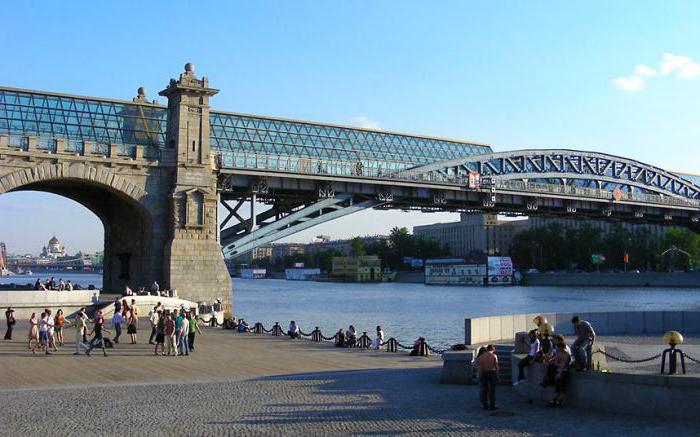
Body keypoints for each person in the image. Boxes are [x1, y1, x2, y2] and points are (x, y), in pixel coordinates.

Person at [549, 336, 572, 407]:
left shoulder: (566, 354)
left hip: (563, 372)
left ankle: (558, 401)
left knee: (562, 388)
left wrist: (559, 373)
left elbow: (564, 365)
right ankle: (555, 400)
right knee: (558, 387)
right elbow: (556, 363)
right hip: (559, 371)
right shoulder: (560, 353)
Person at [478, 344, 499, 411]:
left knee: (484, 390)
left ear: (487, 349)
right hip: (492, 373)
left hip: (484, 373)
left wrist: (479, 375)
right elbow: (496, 367)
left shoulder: (481, 357)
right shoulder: (494, 356)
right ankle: (492, 405)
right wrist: (497, 375)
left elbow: (480, 368)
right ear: (493, 349)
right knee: (492, 390)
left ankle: (485, 405)